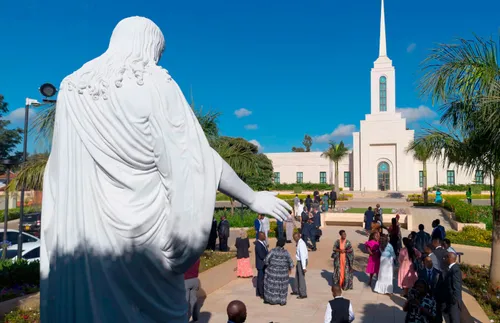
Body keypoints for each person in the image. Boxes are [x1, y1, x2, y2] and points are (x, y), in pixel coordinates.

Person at [39, 16, 292, 322]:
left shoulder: (70, 89)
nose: (156, 60)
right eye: (157, 52)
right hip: (144, 252)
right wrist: (251, 197)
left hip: (83, 247)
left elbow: (59, 175)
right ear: (149, 45)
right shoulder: (156, 82)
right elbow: (197, 161)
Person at [263, 238, 294, 306]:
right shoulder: (286, 252)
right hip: (283, 274)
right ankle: (282, 301)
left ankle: (272, 300)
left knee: (273, 286)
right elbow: (291, 263)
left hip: (273, 273)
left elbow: (266, 260)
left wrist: (270, 266)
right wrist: (288, 268)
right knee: (282, 287)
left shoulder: (272, 251)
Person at [418, 256, 445, 322]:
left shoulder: (438, 273)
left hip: (436, 298)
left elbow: (441, 287)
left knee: (437, 315)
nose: (429, 263)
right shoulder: (421, 272)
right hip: (425, 298)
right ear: (424, 263)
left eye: (430, 261)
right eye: (427, 261)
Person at [443, 252, 462, 323]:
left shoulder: (455, 270)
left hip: (453, 301)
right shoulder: (450, 268)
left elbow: (456, 286)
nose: (444, 259)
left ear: (450, 258)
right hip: (449, 300)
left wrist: (454, 300)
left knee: (454, 320)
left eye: (446, 257)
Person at [291, 232, 308, 299]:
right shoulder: (299, 242)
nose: (294, 239)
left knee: (301, 278)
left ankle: (303, 294)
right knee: (297, 276)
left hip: (301, 261)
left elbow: (302, 256)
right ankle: (296, 290)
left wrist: (304, 267)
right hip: (299, 261)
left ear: (298, 237)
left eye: (295, 238)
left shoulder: (301, 244)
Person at [184, 258, 201, 322]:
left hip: (186, 281)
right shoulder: (197, 258)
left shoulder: (185, 259)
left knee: (185, 301)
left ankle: (184, 319)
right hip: (195, 280)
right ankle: (195, 317)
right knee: (193, 300)